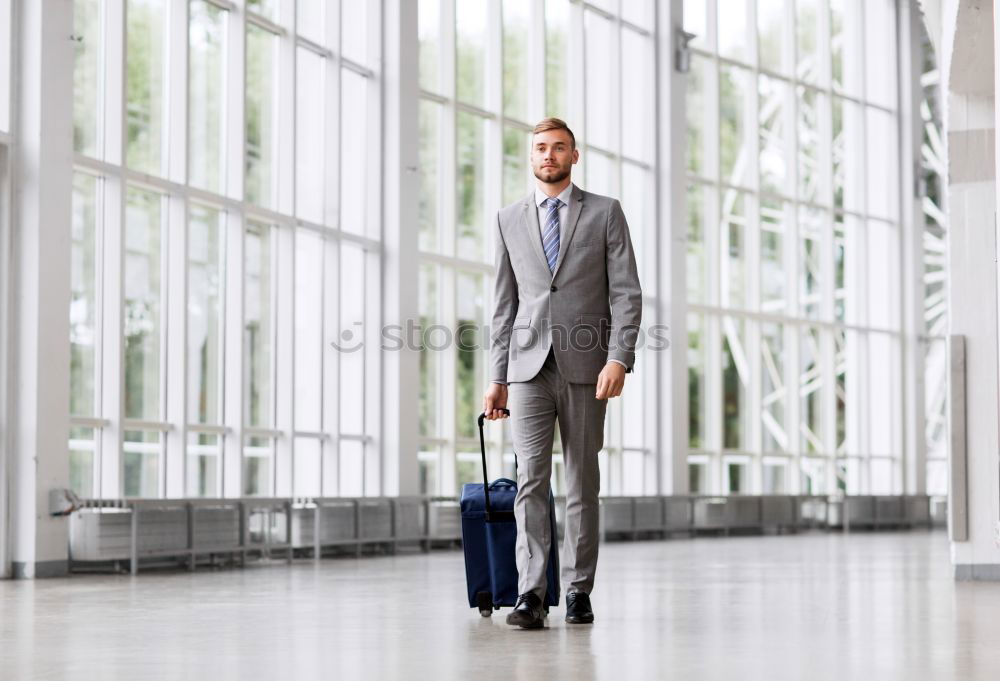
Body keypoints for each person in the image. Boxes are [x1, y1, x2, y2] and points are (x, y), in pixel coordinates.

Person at [482, 117, 642, 629]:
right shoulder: (508, 219)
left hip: (587, 367)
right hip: (527, 370)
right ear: (531, 158)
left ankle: (578, 590)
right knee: (530, 479)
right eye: (540, 149)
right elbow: (503, 306)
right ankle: (530, 592)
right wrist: (497, 376)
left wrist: (619, 358)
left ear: (574, 156)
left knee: (581, 482)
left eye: (558, 148)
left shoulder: (605, 213)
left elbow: (626, 294)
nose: (548, 155)